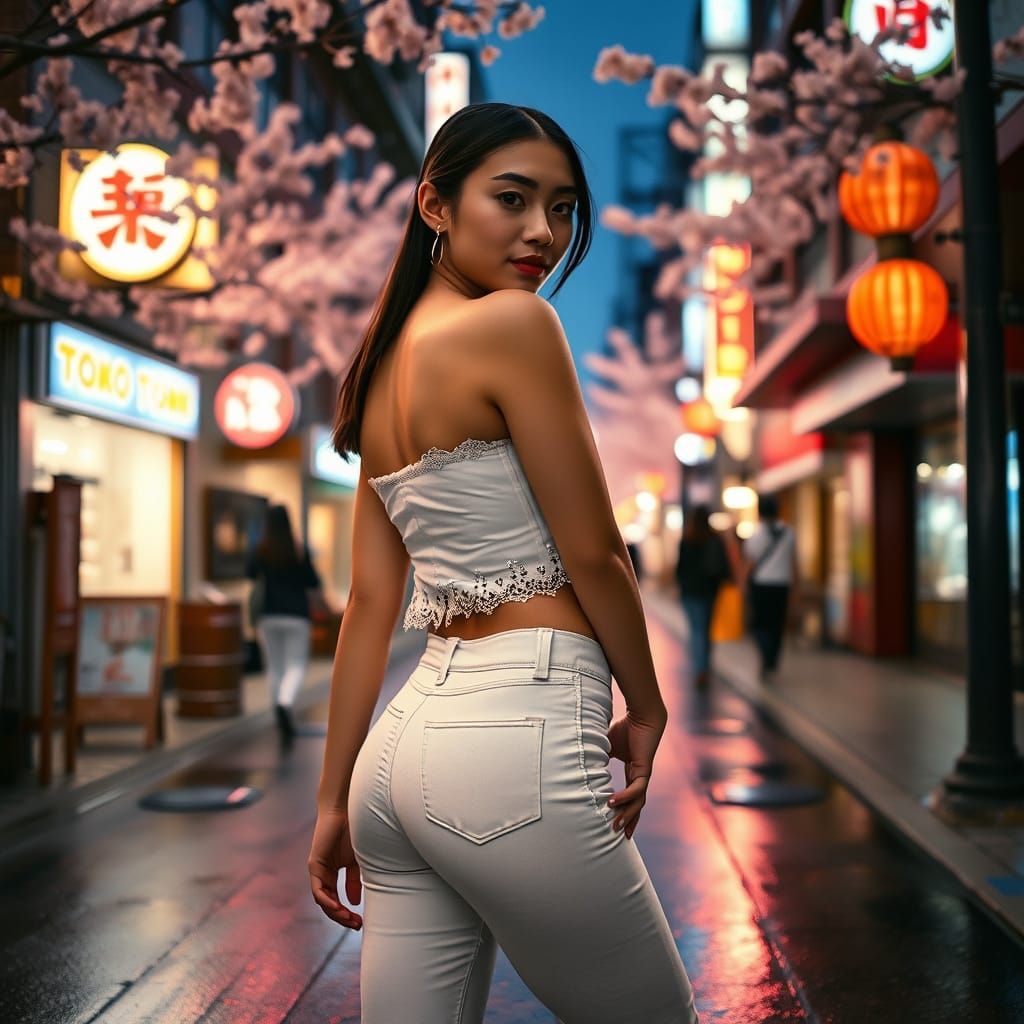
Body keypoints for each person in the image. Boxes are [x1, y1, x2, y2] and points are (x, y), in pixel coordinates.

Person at [307, 103, 699, 1024]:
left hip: (395, 754)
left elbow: (370, 603)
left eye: (561, 209)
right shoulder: (517, 324)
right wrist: (646, 706)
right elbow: (595, 553)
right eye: (513, 199)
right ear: (434, 205)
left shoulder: (380, 369)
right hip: (515, 731)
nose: (542, 234)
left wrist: (332, 802)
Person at [245, 504, 323, 744]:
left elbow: (250, 574)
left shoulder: (261, 550)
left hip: (269, 614)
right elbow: (313, 581)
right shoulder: (298, 550)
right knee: (296, 664)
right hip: (296, 615)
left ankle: (278, 710)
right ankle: (285, 703)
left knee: (275, 666)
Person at [675, 505, 733, 688]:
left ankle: (700, 667)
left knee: (695, 630)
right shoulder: (715, 539)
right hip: (709, 591)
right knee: (705, 629)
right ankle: (704, 666)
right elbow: (723, 567)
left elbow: (680, 569)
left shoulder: (686, 539)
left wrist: (680, 587)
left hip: (689, 592)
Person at [742, 493, 796, 680]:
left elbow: (749, 564)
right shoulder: (789, 533)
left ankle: (765, 656)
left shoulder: (755, 535)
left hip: (761, 585)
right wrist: (796, 586)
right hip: (782, 584)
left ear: (759, 512)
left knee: (760, 623)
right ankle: (772, 660)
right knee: (777, 624)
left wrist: (743, 585)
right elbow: (794, 562)